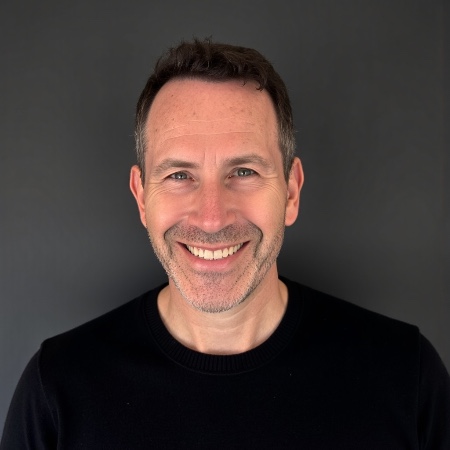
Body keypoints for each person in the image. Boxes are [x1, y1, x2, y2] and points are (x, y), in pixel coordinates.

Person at [1, 39, 449, 449]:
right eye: (180, 175)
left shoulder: (405, 377)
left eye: (244, 172)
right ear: (141, 198)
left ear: (291, 192)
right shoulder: (57, 390)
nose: (212, 218)